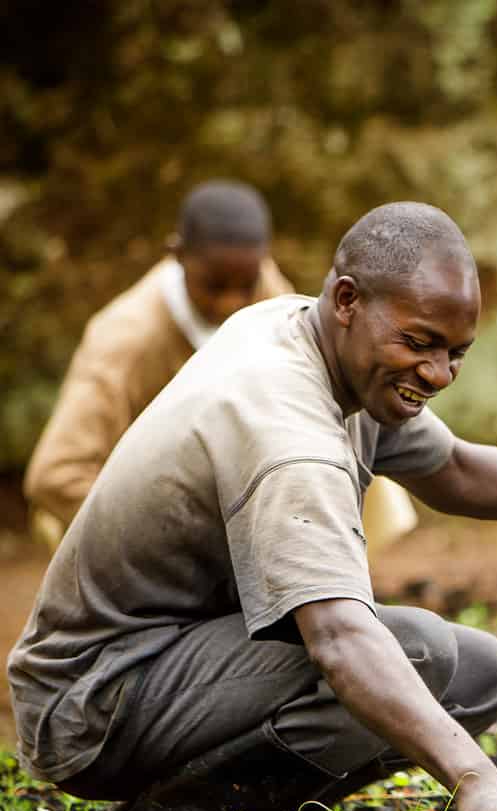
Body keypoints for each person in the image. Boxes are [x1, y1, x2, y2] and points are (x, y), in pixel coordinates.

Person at [7, 202, 497, 811]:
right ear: (346, 301)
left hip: (179, 662)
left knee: (480, 670)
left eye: (456, 352)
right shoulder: (287, 430)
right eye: (420, 343)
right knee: (415, 654)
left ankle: (219, 799)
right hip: (95, 700)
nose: (438, 372)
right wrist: (477, 782)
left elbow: (457, 469)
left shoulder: (313, 335)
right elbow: (337, 637)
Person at [23, 180, 294, 548]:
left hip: (227, 491)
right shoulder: (126, 340)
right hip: (142, 516)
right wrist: (169, 541)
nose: (231, 303)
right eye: (214, 287)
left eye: (245, 285)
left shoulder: (267, 294)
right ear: (177, 254)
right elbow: (56, 475)